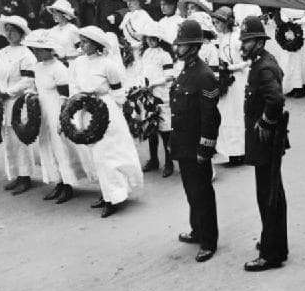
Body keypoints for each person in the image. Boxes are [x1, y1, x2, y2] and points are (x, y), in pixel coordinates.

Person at [70, 26, 143, 217]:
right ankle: (106, 193)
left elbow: (118, 92)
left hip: (105, 110)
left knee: (108, 154)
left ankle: (115, 197)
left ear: (96, 45)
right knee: (96, 155)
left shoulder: (107, 64)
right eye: (81, 41)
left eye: (86, 42)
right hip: (86, 109)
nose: (82, 45)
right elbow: (75, 85)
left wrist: (114, 112)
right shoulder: (78, 63)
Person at [239, 16, 289, 271]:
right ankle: (276, 243)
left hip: (267, 140)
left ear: (259, 41)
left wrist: (266, 123)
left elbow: (276, 100)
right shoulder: (260, 62)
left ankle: (271, 254)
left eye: (247, 41)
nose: (243, 45)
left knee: (268, 196)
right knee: (272, 193)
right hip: (265, 140)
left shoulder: (263, 67)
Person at [170, 19, 221, 263]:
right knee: (191, 191)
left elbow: (211, 116)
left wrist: (205, 147)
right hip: (183, 142)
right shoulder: (186, 71)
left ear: (192, 47)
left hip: (196, 145)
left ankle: (209, 240)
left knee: (202, 193)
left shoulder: (204, 75)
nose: (177, 49)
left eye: (181, 45)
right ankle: (197, 229)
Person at [25, 29, 90, 205]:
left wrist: (63, 116)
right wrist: (32, 96)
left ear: (50, 49)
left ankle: (68, 184)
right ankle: (58, 182)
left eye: (40, 49)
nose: (37, 53)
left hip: (56, 110)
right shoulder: (37, 67)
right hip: (43, 111)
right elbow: (37, 88)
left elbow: (64, 96)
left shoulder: (59, 68)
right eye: (35, 49)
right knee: (48, 146)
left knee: (61, 147)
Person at [0, 15, 37, 195]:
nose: (10, 34)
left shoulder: (26, 54)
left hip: (17, 101)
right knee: (7, 138)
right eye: (7, 30)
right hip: (1, 100)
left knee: (19, 138)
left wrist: (8, 92)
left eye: (13, 31)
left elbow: (28, 80)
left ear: (21, 33)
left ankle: (25, 177)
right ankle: (15, 174)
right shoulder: (2, 52)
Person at [138, 21, 177, 177]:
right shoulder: (146, 53)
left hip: (161, 95)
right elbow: (142, 72)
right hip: (148, 96)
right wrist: (141, 85)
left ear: (159, 39)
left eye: (153, 38)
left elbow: (169, 76)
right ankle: (154, 159)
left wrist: (152, 84)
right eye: (148, 38)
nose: (150, 41)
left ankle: (169, 161)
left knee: (165, 129)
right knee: (150, 128)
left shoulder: (165, 55)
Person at [212, 6, 249, 164]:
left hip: (239, 80)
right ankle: (232, 152)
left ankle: (242, 151)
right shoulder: (221, 38)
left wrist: (230, 68)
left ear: (227, 22)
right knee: (227, 115)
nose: (215, 24)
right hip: (226, 81)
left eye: (218, 21)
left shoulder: (237, 37)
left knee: (238, 113)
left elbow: (247, 61)